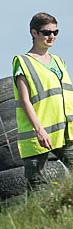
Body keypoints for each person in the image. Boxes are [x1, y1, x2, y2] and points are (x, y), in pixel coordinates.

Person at [12, 12, 73, 190]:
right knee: (37, 187)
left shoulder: (59, 62)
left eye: (55, 32)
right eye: (46, 32)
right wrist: (39, 130)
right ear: (34, 33)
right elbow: (24, 101)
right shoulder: (23, 62)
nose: (51, 36)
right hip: (38, 134)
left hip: (66, 132)